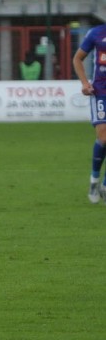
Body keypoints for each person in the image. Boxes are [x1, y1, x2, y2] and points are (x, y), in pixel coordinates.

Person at [71, 23, 106, 204]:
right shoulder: (96, 33)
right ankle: (94, 180)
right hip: (100, 92)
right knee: (104, 137)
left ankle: (105, 186)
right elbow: (77, 59)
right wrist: (85, 83)